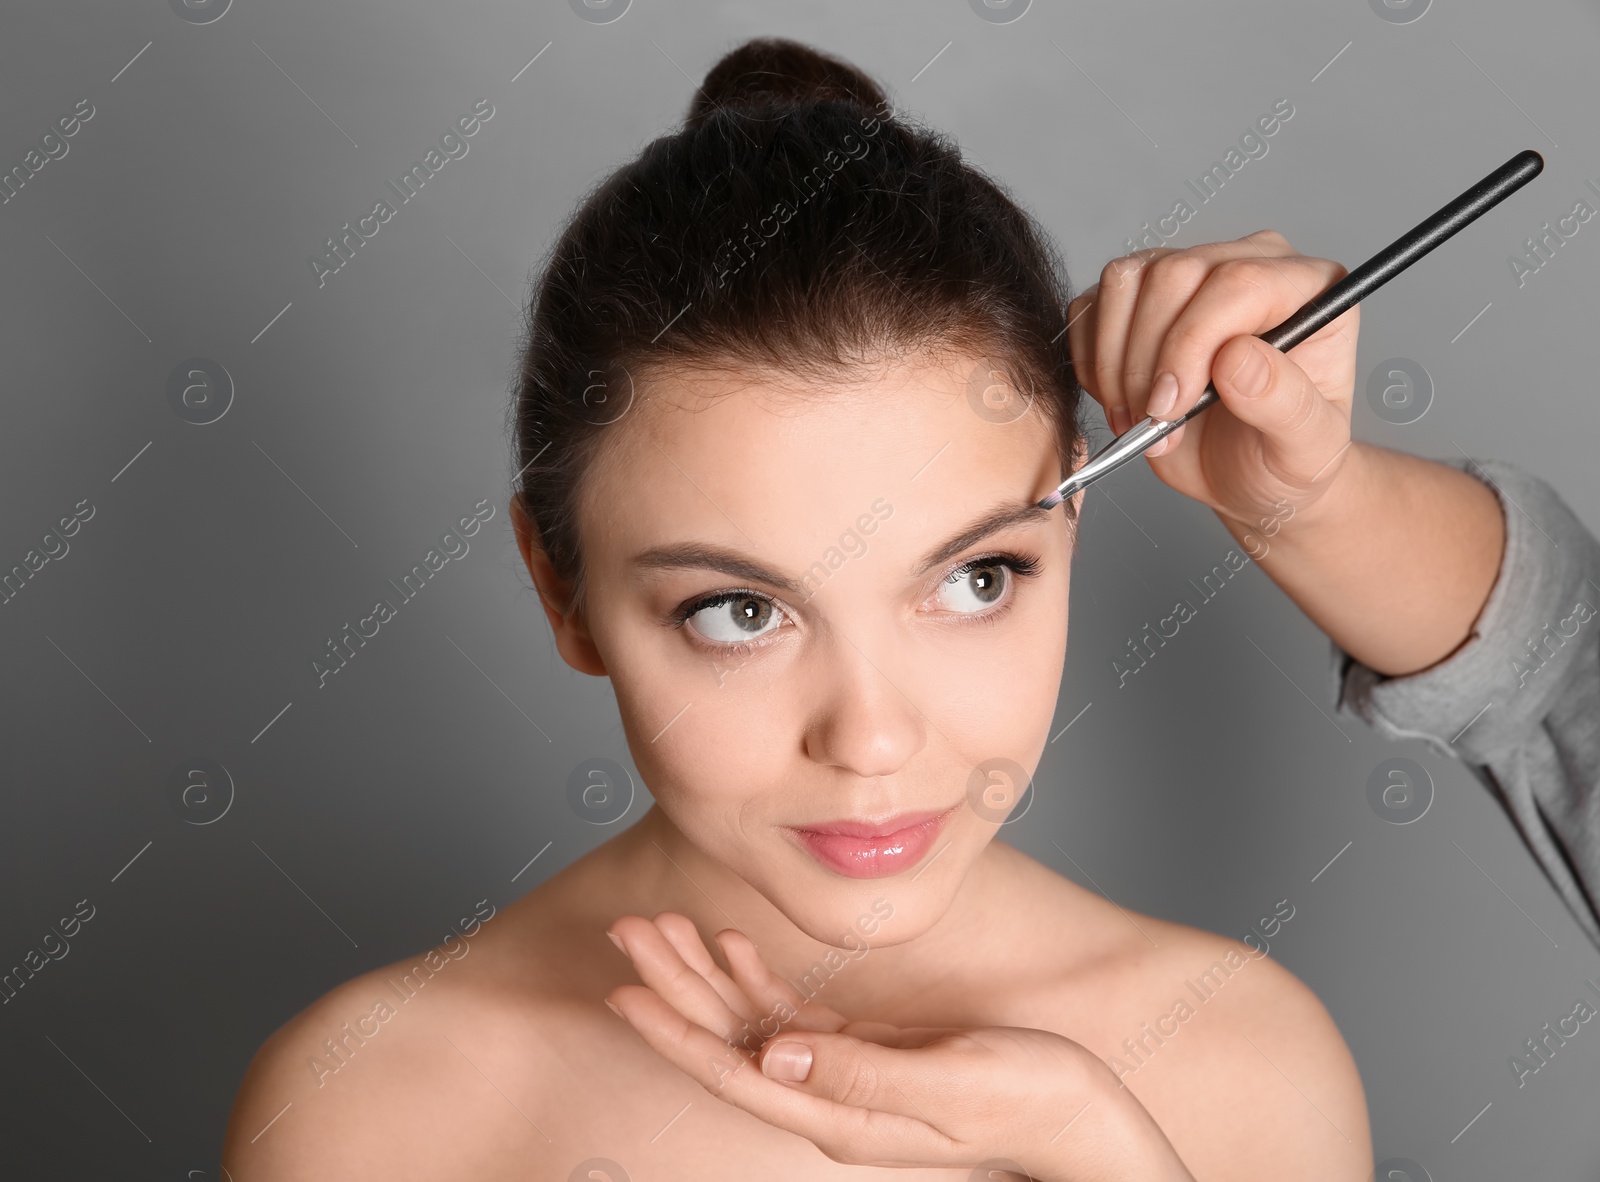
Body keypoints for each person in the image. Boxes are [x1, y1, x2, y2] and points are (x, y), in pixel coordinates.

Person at [221, 35, 1597, 1181]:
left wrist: (1104, 1147)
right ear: (562, 590)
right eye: (738, 612)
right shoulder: (370, 1110)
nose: (872, 740)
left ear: (1071, 519)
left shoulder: (1235, 1066)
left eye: (974, 578)